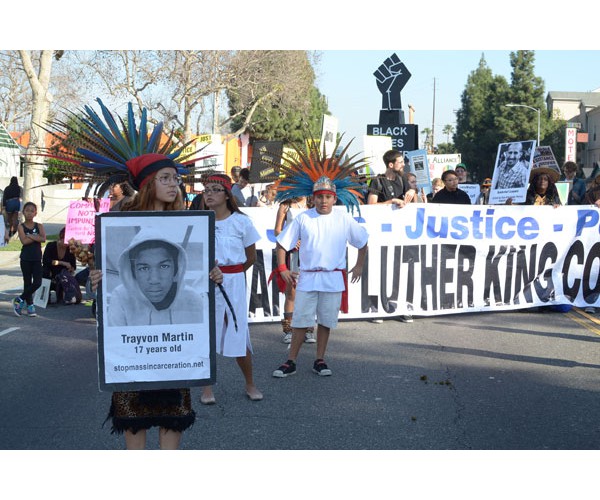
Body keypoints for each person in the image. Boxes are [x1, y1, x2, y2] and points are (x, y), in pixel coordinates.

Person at [48, 99, 223, 449]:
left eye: (175, 178)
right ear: (147, 184)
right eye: (165, 178)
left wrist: (212, 274)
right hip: (132, 362)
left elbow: (198, 290)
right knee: (134, 432)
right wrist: (99, 280)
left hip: (176, 359)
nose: (174, 184)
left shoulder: (189, 222)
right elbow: (108, 286)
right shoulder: (119, 221)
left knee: (173, 424)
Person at [272, 173, 368, 378]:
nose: (323, 201)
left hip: (332, 279)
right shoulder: (303, 218)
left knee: (325, 321)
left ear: (334, 198)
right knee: (300, 321)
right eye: (319, 197)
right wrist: (282, 268)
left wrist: (359, 265)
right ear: (313, 198)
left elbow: (362, 241)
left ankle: (320, 359)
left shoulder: (344, 218)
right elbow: (282, 243)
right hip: (307, 277)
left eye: (327, 197)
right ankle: (291, 361)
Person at [199, 173, 263, 404]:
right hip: (205, 282)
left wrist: (230, 274)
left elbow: (250, 257)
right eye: (206, 190)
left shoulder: (241, 221)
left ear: (227, 194)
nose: (209, 194)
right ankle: (206, 387)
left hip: (234, 281)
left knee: (237, 330)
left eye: (215, 189)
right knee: (207, 332)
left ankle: (250, 383)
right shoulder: (199, 221)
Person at [107, 230, 207, 326]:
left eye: (164, 266)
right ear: (133, 273)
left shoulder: (193, 300)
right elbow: (115, 341)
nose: (154, 280)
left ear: (176, 271)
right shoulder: (121, 298)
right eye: (144, 268)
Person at [367, 149, 415, 323]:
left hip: (400, 234)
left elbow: (412, 199)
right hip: (381, 234)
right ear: (391, 164)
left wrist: (412, 193)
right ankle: (378, 307)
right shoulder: (377, 181)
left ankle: (400, 307)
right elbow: (371, 205)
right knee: (380, 271)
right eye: (400, 162)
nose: (403, 165)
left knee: (399, 271)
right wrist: (391, 202)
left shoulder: (403, 180)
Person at [273, 195, 316, 344]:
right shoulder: (285, 205)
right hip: (292, 254)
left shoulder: (313, 202)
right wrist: (291, 241)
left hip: (310, 253)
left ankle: (309, 329)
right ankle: (289, 330)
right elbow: (277, 230)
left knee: (309, 291)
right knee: (291, 291)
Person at [13, 202, 46, 317]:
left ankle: (19, 299)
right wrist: (36, 237)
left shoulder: (39, 226)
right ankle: (30, 306)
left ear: (35, 213)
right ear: (23, 212)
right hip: (26, 258)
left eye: (32, 210)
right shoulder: (21, 226)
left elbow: (43, 238)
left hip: (37, 258)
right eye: (27, 210)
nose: (29, 213)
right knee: (27, 283)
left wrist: (31, 236)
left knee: (37, 282)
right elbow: (24, 241)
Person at [42, 226, 78, 304]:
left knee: (65, 276)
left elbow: (73, 266)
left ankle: (64, 296)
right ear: (60, 238)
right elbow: (46, 261)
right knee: (44, 272)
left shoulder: (70, 250)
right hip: (50, 271)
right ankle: (45, 296)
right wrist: (62, 263)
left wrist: (71, 268)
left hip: (62, 273)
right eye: (65, 241)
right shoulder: (51, 246)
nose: (67, 244)